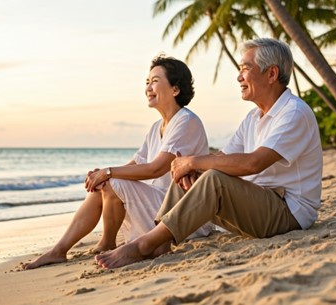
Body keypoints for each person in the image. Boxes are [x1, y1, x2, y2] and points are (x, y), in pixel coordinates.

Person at [95, 38, 323, 269]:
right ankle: (160, 242)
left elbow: (254, 163)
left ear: (271, 74)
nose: (239, 76)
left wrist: (194, 161)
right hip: (259, 204)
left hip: (288, 214)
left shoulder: (293, 113)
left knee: (212, 178)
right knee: (193, 175)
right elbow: (224, 157)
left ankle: (144, 245)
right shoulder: (253, 118)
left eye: (246, 68)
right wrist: (192, 169)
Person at [24, 55, 211, 269]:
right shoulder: (156, 127)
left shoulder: (186, 122)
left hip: (182, 215)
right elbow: (136, 164)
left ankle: (106, 243)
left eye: (155, 81)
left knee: (111, 180)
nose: (148, 87)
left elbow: (155, 169)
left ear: (175, 89)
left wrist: (109, 172)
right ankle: (59, 250)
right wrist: (102, 175)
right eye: (147, 82)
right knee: (102, 185)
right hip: (158, 206)